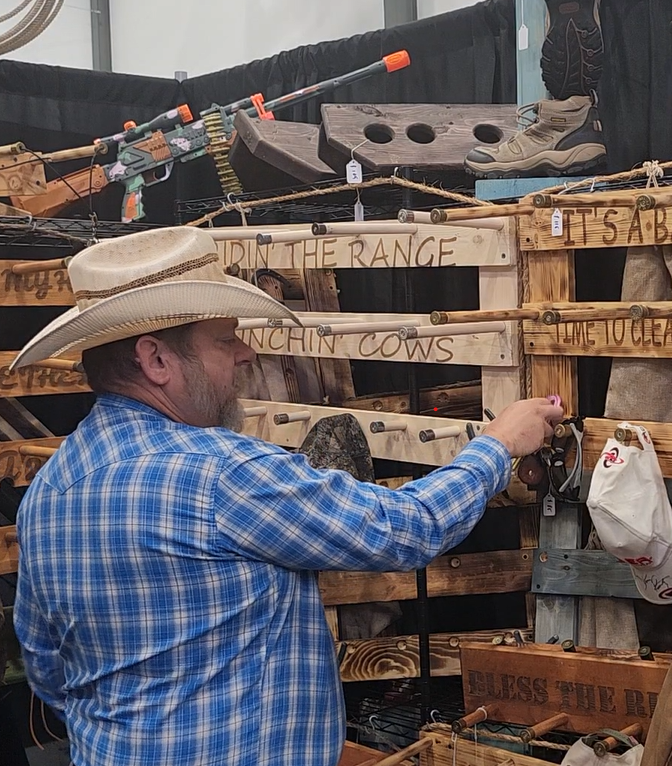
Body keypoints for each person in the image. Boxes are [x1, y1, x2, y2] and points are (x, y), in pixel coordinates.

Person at [11, 227, 563, 766]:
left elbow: (48, 670)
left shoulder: (49, 492)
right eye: (225, 340)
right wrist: (498, 444)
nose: (246, 355)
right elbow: (407, 528)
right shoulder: (221, 474)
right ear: (156, 360)